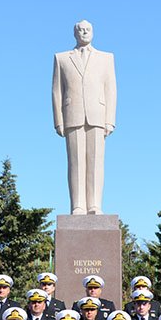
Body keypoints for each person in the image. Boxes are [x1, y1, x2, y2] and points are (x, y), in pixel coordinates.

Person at [52, 19, 117, 215]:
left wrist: (110, 120)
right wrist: (58, 120)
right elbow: (56, 91)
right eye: (80, 30)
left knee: (96, 162)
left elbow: (111, 89)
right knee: (76, 163)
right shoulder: (61, 58)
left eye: (88, 29)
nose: (84, 32)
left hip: (97, 115)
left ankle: (95, 205)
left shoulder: (106, 58)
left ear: (93, 32)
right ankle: (78, 205)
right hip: (73, 115)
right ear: (74, 34)